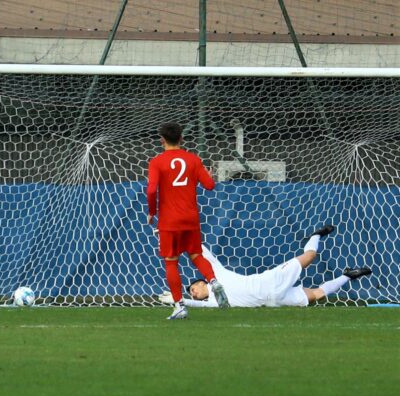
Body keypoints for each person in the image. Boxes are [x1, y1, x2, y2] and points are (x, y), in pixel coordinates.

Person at [157, 225, 373, 307]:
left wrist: (176, 235)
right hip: (274, 300)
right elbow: (196, 306)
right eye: (192, 294)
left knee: (310, 256)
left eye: (192, 288)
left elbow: (200, 250)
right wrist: (179, 300)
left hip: (270, 281)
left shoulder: (216, 275)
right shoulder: (216, 302)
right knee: (316, 295)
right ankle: (348, 276)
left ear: (203, 281)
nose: (193, 293)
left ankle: (315, 236)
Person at [147, 122, 230, 320]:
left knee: (171, 262)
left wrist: (152, 211)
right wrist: (208, 174)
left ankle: (179, 307)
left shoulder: (157, 162)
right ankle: (213, 281)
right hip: (191, 218)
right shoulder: (193, 160)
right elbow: (210, 185)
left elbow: (151, 190)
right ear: (182, 139)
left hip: (169, 221)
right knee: (196, 255)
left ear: (162, 140)